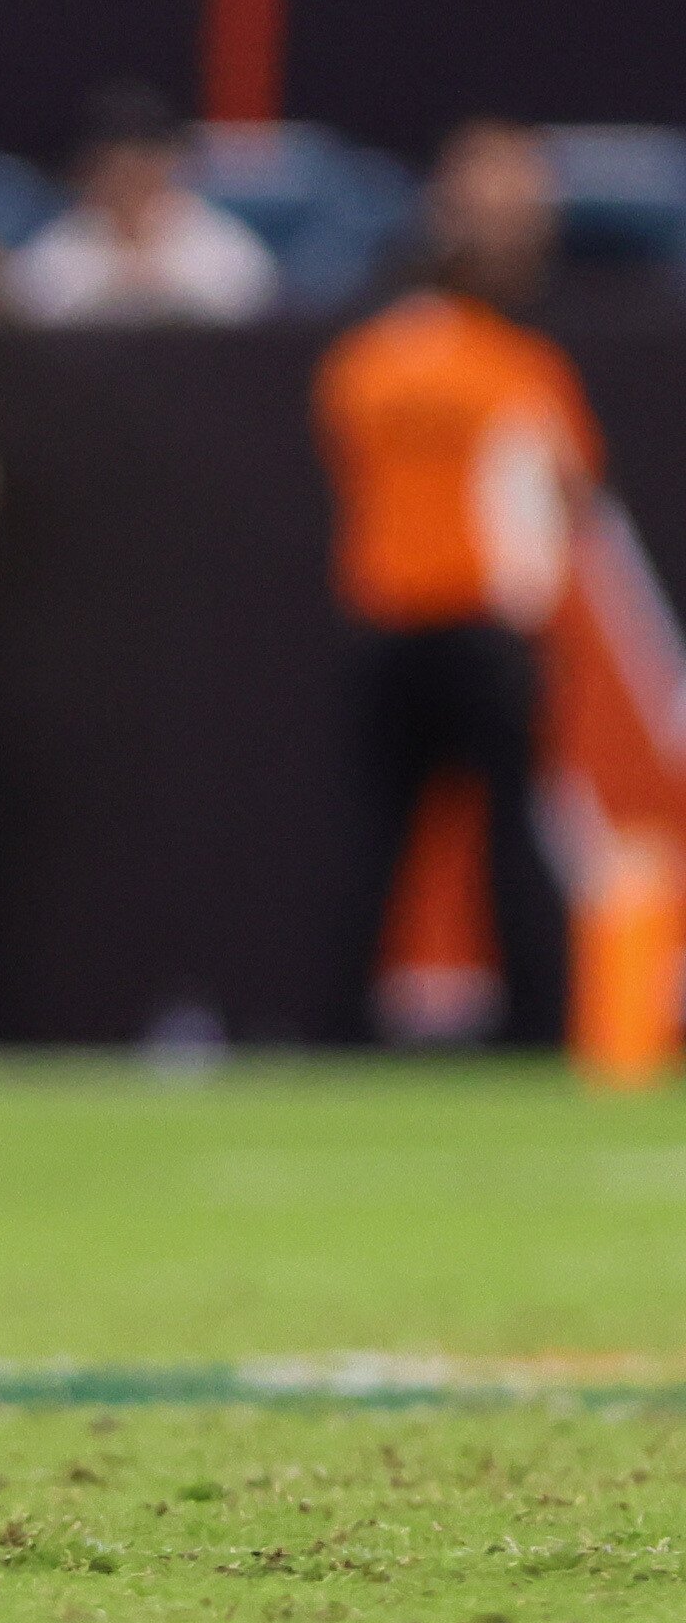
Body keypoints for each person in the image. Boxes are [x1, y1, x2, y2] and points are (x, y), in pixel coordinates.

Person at [314, 122, 598, 1048]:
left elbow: (345, 453)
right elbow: (570, 492)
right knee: (510, 844)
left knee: (373, 844)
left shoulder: (366, 362)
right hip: (481, 630)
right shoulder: (519, 370)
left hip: (388, 626)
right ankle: (539, 1031)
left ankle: (338, 1032)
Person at [2, 83, 278, 325]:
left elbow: (249, 304)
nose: (130, 184)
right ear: (88, 171)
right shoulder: (57, 249)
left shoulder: (222, 243)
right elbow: (33, 305)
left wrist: (161, 284)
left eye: (144, 166)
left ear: (172, 163)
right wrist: (118, 283)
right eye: (116, 169)